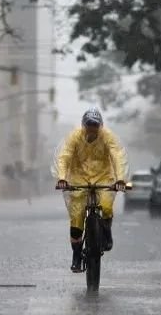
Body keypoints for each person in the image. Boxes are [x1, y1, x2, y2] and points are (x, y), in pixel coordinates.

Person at [54, 107, 128, 273]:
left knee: (107, 205)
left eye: (95, 125)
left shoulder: (108, 137)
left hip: (103, 176)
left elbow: (117, 157)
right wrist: (62, 178)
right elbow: (64, 157)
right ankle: (76, 255)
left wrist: (120, 179)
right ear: (83, 125)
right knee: (77, 216)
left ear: (100, 126)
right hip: (78, 177)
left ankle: (106, 231)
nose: (92, 129)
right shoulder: (74, 137)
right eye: (89, 125)